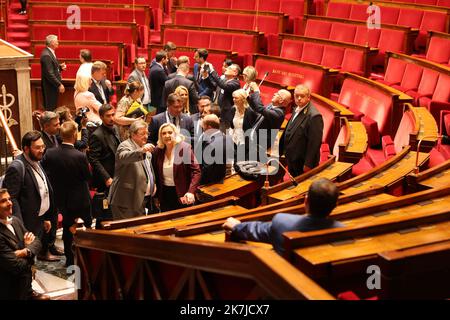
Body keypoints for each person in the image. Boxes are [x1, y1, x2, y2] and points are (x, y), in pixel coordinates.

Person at [222, 178, 344, 256]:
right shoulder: (342, 230)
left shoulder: (283, 222)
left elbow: (257, 229)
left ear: (306, 201)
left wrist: (237, 226)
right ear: (335, 205)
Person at [2, 131, 59, 262]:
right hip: (26, 224)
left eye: (43, 146)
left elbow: (41, 190)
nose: (42, 150)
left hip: (38, 219)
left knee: (32, 257)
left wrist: (45, 217)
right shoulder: (17, 168)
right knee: (26, 261)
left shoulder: (35, 160)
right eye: (37, 147)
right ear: (26, 149)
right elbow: (12, 198)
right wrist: (20, 227)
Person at [41, 121, 92, 267]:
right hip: (80, 199)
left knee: (67, 229)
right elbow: (87, 177)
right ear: (75, 134)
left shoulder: (50, 153)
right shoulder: (79, 156)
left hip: (62, 199)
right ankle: (85, 259)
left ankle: (70, 260)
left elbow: (44, 171)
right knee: (85, 228)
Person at [0, 188, 49, 300]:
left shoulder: (15, 220)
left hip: (25, 286)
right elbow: (15, 266)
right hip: (9, 290)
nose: (9, 203)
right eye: (3, 201)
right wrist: (30, 255)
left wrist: (25, 251)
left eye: (9, 199)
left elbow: (36, 241)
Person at [108, 120, 156, 220]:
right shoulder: (125, 145)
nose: (146, 136)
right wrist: (141, 150)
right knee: (125, 233)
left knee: (138, 231)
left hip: (140, 199)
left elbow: (148, 171)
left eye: (147, 133)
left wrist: (152, 184)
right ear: (133, 134)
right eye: (142, 134)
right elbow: (123, 157)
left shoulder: (145, 149)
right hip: (125, 200)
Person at [151, 123, 201, 212]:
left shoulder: (184, 148)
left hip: (183, 192)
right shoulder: (157, 151)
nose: (167, 135)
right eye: (164, 133)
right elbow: (155, 175)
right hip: (165, 194)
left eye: (170, 132)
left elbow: (196, 171)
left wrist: (190, 191)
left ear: (175, 134)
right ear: (160, 136)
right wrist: (156, 196)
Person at [279, 84, 323, 177]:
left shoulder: (314, 116)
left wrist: (308, 164)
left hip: (302, 161)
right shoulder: (297, 109)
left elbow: (314, 143)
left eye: (302, 96)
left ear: (308, 97)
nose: (299, 98)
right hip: (292, 157)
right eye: (296, 96)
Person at [247, 85, 292, 151]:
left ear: (281, 100)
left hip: (260, 145)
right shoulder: (271, 105)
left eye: (277, 94)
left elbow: (260, 108)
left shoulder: (279, 114)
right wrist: (247, 97)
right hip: (252, 139)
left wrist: (256, 91)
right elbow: (257, 109)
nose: (274, 94)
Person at [196, 114, 233, 185]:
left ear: (209, 127)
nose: (202, 128)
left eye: (203, 125)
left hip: (210, 183)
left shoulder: (210, 144)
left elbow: (207, 169)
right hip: (223, 179)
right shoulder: (227, 138)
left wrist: (199, 183)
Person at [204, 63, 241, 130]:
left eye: (229, 68)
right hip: (217, 111)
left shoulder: (235, 83)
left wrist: (212, 71)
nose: (226, 69)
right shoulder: (224, 80)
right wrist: (206, 76)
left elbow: (223, 85)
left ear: (235, 72)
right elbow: (213, 87)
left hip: (226, 116)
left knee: (223, 135)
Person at [229, 89, 259, 163]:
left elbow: (254, 129)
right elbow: (232, 125)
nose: (233, 99)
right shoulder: (233, 109)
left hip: (246, 142)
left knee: (241, 162)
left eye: (236, 98)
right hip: (235, 139)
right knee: (235, 160)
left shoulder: (250, 112)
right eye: (233, 97)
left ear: (243, 99)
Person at [40, 34, 66, 111]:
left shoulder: (49, 52)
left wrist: (60, 68)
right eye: (56, 41)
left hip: (52, 86)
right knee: (51, 108)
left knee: (53, 107)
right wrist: (59, 84)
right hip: (50, 87)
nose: (58, 43)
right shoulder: (46, 55)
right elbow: (49, 74)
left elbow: (51, 68)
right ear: (51, 43)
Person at [149, 50, 169, 114]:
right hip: (160, 99)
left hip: (156, 98)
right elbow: (167, 82)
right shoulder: (159, 70)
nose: (167, 60)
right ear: (163, 59)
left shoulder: (154, 67)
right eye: (167, 58)